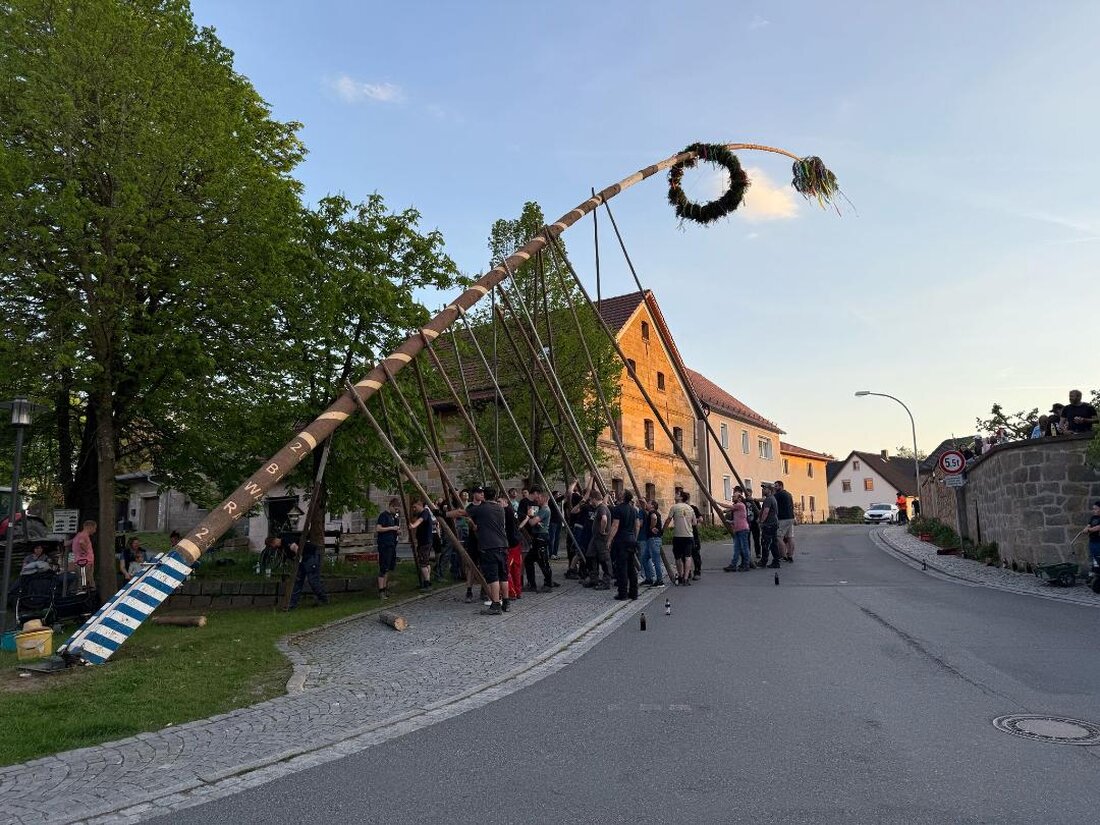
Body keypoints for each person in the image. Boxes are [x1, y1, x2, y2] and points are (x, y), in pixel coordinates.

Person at [451, 487, 510, 615]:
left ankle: (496, 605)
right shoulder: (500, 508)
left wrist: (443, 513)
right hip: (503, 545)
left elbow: (461, 512)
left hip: (489, 546)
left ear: (484, 496)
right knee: (503, 576)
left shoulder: (481, 508)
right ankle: (506, 602)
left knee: (493, 577)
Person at [523, 487, 557, 593]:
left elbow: (532, 522)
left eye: (538, 498)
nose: (536, 500)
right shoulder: (541, 509)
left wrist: (529, 516)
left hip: (541, 537)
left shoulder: (545, 510)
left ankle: (548, 584)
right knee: (529, 560)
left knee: (543, 561)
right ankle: (532, 584)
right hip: (537, 537)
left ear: (543, 498)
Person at [608, 490, 640, 600]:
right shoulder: (634, 510)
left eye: (621, 493)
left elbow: (615, 526)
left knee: (622, 567)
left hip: (621, 540)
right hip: (631, 539)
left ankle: (622, 593)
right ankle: (634, 593)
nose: (619, 494)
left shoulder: (617, 509)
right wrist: (634, 538)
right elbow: (637, 525)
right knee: (631, 567)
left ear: (623, 497)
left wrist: (609, 540)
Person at [663, 491, 696, 585]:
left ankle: (680, 576)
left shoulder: (674, 507)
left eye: (677, 494)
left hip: (678, 535)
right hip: (689, 535)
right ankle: (686, 578)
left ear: (681, 497)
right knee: (688, 557)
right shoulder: (690, 508)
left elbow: (668, 520)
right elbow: (694, 523)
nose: (675, 496)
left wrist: (663, 530)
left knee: (678, 557)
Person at [287, 539, 329, 609]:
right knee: (298, 581)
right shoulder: (284, 546)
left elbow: (296, 549)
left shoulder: (287, 542)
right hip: (303, 558)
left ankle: (323, 599)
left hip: (309, 556)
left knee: (313, 580)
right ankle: (292, 604)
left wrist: (299, 559)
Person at [585, 488, 612, 590]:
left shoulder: (601, 508)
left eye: (591, 499)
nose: (590, 502)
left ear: (594, 499)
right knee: (590, 555)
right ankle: (594, 579)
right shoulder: (600, 507)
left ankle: (606, 582)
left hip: (601, 538)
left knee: (604, 560)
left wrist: (602, 530)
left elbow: (604, 519)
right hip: (595, 538)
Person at [375, 498, 401, 600]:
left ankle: (385, 588)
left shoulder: (394, 517)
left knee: (388, 568)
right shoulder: (384, 516)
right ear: (391, 506)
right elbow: (378, 528)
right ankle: (381, 590)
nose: (396, 511)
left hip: (392, 544)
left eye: (397, 509)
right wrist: (391, 528)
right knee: (383, 568)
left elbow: (395, 529)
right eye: (395, 509)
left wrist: (397, 531)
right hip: (384, 544)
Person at [407, 496, 434, 590]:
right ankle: (427, 581)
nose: (414, 509)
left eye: (415, 507)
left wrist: (413, 525)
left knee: (423, 563)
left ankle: (427, 583)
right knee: (426, 562)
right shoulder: (421, 514)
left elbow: (420, 520)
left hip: (425, 542)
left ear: (420, 505)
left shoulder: (424, 513)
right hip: (424, 541)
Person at [502, 491, 524, 600]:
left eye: (499, 502)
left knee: (507, 569)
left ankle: (512, 592)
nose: (498, 504)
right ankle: (518, 591)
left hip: (510, 544)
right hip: (516, 542)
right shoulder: (512, 510)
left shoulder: (505, 511)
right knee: (516, 568)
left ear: (505, 501)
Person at [723, 491, 751, 572]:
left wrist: (716, 502)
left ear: (739, 499)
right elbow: (738, 519)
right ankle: (733, 565)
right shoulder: (737, 507)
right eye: (732, 496)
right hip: (738, 529)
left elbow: (727, 506)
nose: (732, 497)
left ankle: (746, 565)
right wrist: (730, 521)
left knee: (744, 548)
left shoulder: (740, 505)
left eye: (734, 496)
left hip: (743, 529)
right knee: (737, 549)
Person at [640, 499, 666, 587]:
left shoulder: (652, 512)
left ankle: (660, 581)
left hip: (653, 539)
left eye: (648, 503)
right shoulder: (653, 512)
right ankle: (649, 578)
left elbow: (654, 518)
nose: (647, 504)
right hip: (651, 539)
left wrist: (651, 527)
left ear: (652, 506)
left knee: (656, 560)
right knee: (644, 558)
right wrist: (644, 503)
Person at [758, 483, 781, 568]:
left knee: (765, 543)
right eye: (763, 488)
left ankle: (763, 561)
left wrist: (761, 522)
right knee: (773, 543)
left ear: (770, 490)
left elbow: (766, 512)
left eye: (765, 488)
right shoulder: (772, 498)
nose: (763, 490)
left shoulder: (768, 499)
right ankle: (776, 562)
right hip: (773, 523)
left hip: (769, 524)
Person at [774, 481, 796, 562]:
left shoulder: (778, 494)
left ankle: (783, 556)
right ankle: (790, 555)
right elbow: (792, 506)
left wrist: (754, 499)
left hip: (783, 519)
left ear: (781, 486)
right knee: (790, 537)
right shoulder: (789, 494)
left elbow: (769, 499)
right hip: (790, 518)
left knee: (778, 537)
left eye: (776, 486)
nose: (775, 488)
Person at [72, 519, 97, 591]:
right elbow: (81, 542)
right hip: (85, 562)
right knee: (86, 582)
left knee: (85, 580)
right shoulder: (84, 535)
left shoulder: (79, 535)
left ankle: (87, 592)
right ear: (90, 527)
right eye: (94, 528)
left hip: (82, 562)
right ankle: (86, 594)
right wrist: (86, 551)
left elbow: (72, 541)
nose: (95, 531)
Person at [687, 493, 703, 580]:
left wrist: (693, 520)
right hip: (683, 535)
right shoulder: (679, 508)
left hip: (693, 534)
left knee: (695, 554)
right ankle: (687, 572)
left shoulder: (693, 508)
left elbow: (701, 519)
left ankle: (697, 571)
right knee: (685, 554)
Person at [549, 490, 565, 560]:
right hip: (553, 522)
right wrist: (564, 495)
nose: (559, 496)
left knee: (557, 538)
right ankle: (551, 553)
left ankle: (555, 553)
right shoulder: (551, 501)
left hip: (559, 522)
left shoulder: (560, 503)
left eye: (559, 494)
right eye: (557, 494)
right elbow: (559, 499)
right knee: (552, 538)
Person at [1087, 501, 1100, 566]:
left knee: (1098, 557)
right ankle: (1095, 570)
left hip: (1098, 542)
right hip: (1092, 541)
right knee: (1094, 558)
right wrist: (1087, 528)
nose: (1094, 510)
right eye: (1093, 509)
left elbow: (1098, 528)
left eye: (1096, 509)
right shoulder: (1093, 517)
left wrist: (1089, 530)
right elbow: (1088, 525)